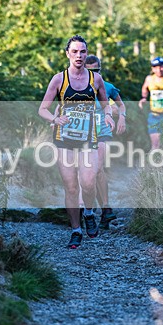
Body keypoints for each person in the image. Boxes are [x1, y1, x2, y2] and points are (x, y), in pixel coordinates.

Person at [38, 35, 114, 249]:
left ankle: (89, 212)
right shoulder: (58, 79)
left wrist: (108, 114)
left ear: (86, 53)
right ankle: (75, 230)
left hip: (88, 138)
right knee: (71, 187)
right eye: (75, 52)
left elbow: (105, 103)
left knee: (88, 182)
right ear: (67, 54)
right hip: (64, 140)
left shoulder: (95, 79)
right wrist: (55, 118)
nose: (79, 56)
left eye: (82, 52)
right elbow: (42, 109)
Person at [84, 55, 126, 229]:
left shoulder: (107, 87)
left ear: (100, 70)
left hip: (102, 131)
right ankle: (100, 211)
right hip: (81, 134)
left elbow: (121, 105)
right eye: (89, 71)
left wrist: (122, 118)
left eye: (96, 70)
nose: (93, 74)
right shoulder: (75, 87)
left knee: (97, 169)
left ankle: (106, 208)